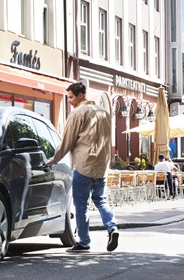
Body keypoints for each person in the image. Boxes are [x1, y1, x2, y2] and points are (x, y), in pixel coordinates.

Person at [45, 82, 119, 253]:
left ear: (80, 95)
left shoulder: (78, 113)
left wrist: (53, 160)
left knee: (80, 205)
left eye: (71, 97)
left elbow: (67, 140)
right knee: (101, 200)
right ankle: (112, 228)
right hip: (101, 165)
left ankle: (84, 242)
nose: (69, 100)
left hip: (83, 164)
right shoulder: (104, 113)